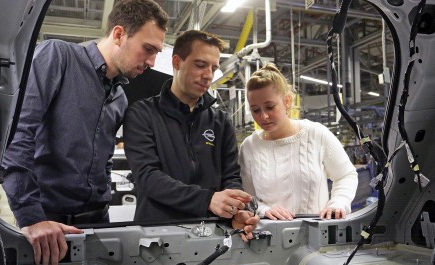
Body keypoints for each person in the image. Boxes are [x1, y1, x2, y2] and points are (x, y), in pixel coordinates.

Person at [1, 0, 168, 265]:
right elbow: (18, 134)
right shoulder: (58, 57)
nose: (151, 61)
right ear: (118, 34)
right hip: (48, 223)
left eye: (156, 52)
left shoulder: (119, 97)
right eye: (147, 49)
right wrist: (31, 217)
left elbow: (104, 159)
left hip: (96, 221)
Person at [123, 30, 259, 239]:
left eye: (213, 68)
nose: (209, 75)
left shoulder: (220, 121)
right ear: (177, 62)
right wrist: (207, 200)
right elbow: (147, 177)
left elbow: (231, 175)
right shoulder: (142, 114)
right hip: (157, 235)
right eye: (200, 65)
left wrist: (236, 208)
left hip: (212, 233)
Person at [239, 63, 358, 221]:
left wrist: (338, 203)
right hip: (268, 236)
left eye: (270, 107)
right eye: (255, 110)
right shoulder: (249, 146)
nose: (263, 117)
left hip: (318, 235)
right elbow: (247, 197)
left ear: (287, 101)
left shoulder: (316, 134)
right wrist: (263, 209)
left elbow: (346, 175)